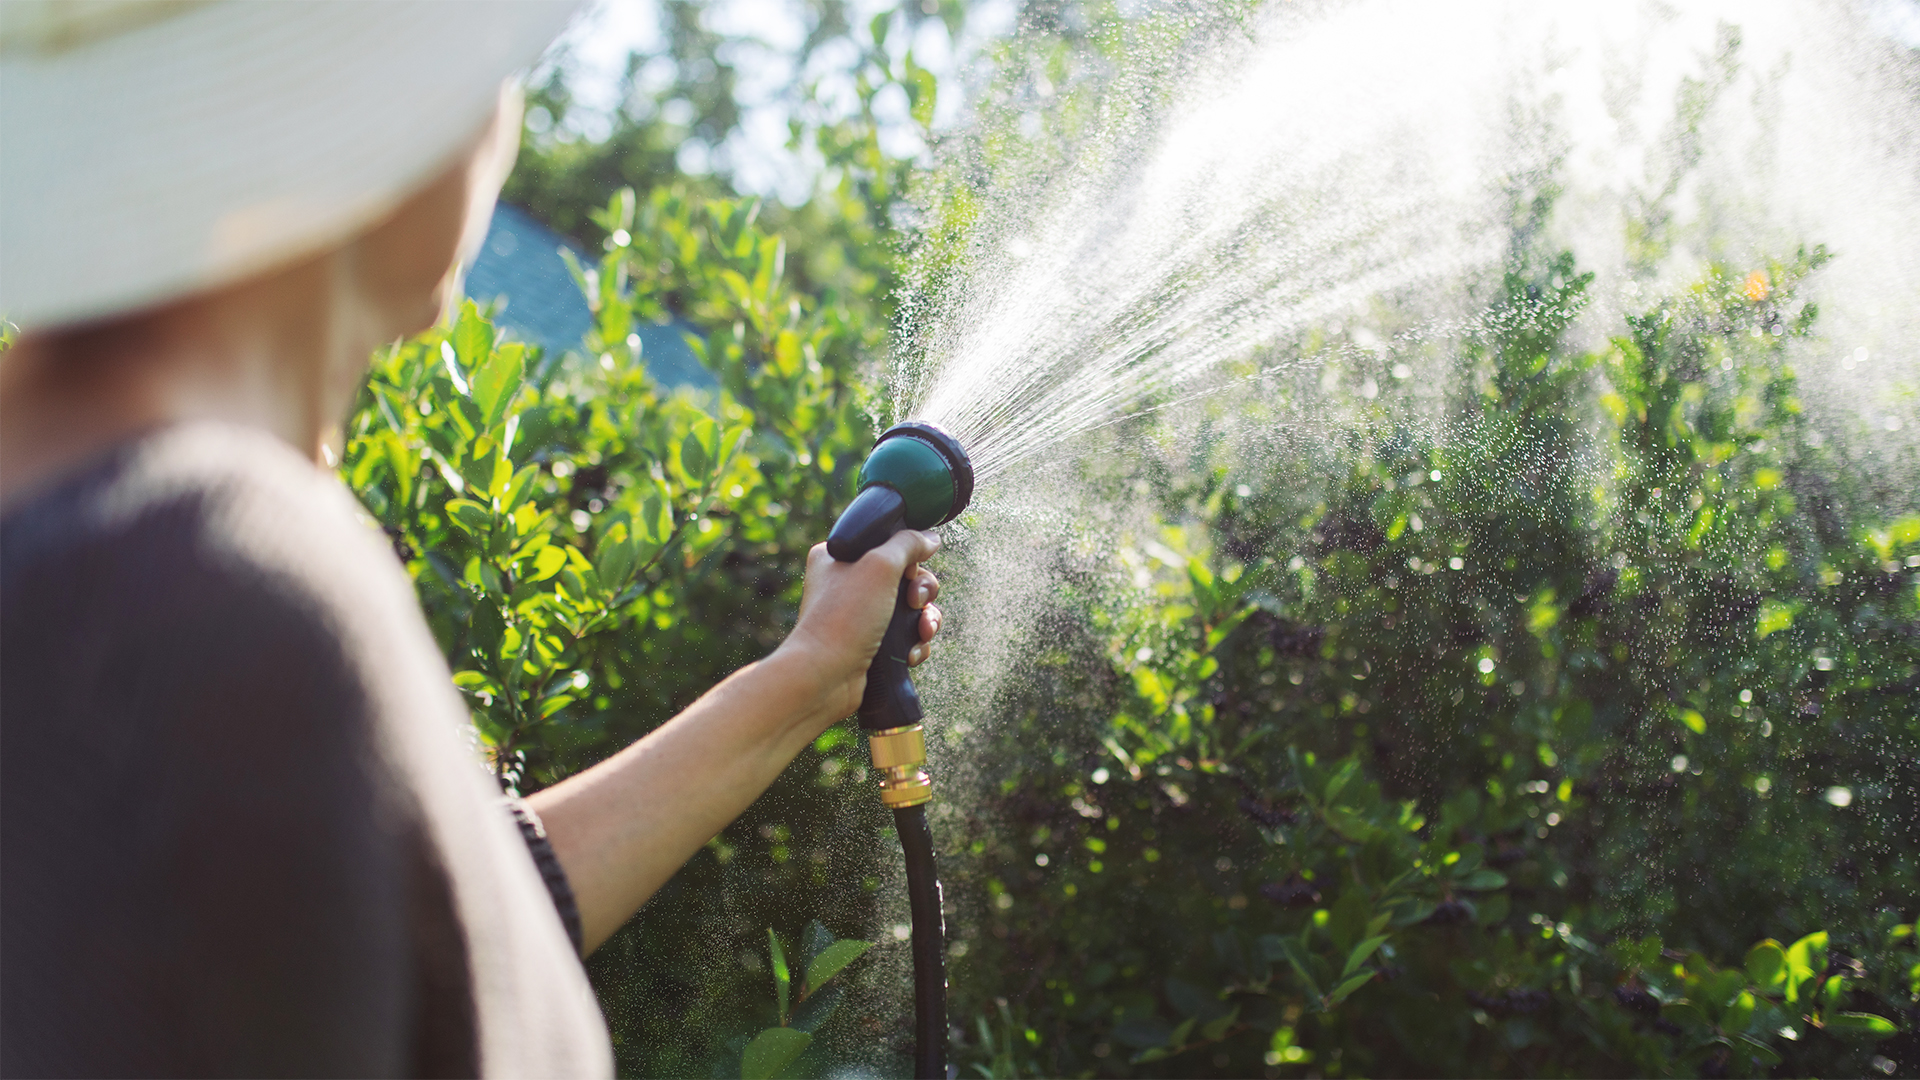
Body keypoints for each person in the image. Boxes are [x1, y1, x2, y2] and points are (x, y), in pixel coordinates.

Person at [0, 4, 941, 1076]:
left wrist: (806, 679)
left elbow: (434, 954)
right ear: (383, 118)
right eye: (486, 72)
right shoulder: (206, 576)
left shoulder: (105, 536)